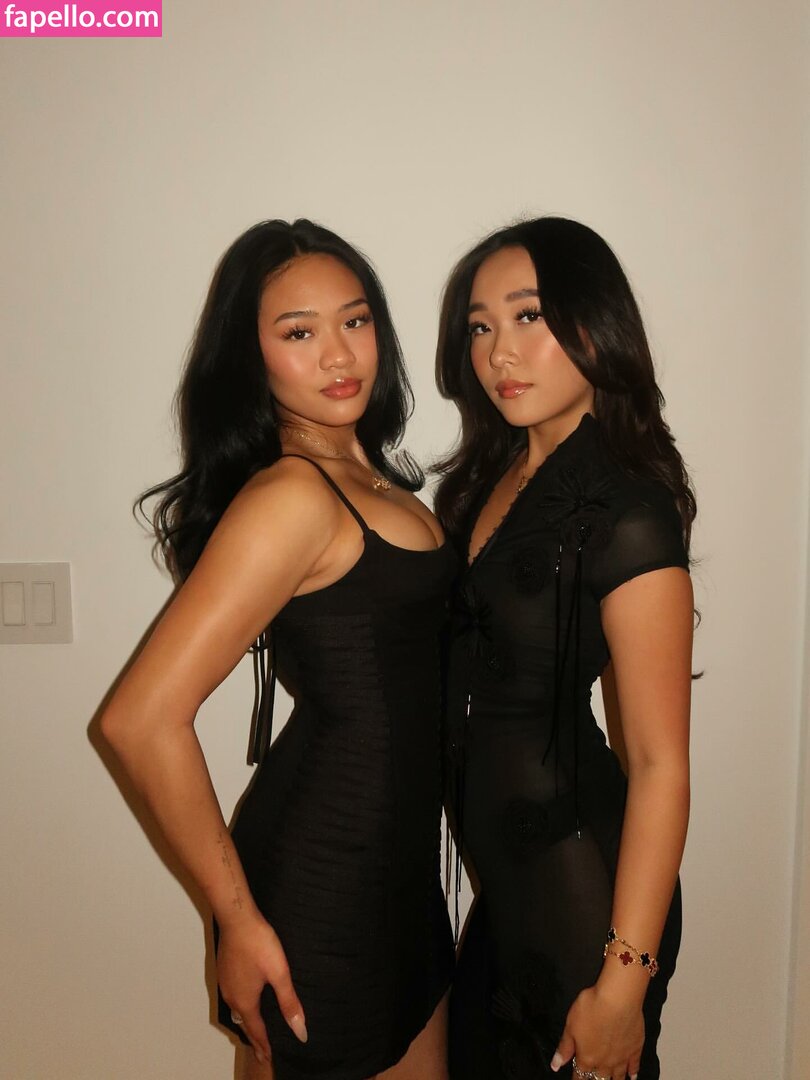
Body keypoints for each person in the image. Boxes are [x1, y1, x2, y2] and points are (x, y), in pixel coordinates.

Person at [101, 219, 454, 1080]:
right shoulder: (292, 495)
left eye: (355, 320)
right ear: (250, 357)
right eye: (299, 333)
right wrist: (238, 919)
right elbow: (138, 721)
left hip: (403, 877)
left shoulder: (372, 476)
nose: (338, 354)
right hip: (321, 888)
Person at [434, 217, 695, 1080]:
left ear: (594, 325)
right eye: (480, 327)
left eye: (528, 316)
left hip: (586, 896)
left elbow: (659, 763)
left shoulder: (627, 509)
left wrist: (623, 985)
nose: (498, 353)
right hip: (507, 890)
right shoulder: (490, 478)